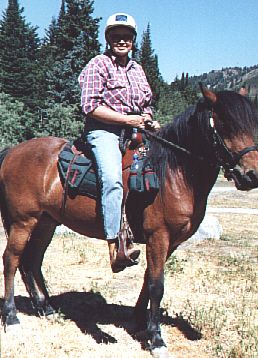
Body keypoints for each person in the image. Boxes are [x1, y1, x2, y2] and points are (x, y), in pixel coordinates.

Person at [78, 13, 160, 273]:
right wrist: (128, 120)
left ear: (133, 41)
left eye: (126, 36)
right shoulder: (98, 64)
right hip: (104, 131)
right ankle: (115, 245)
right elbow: (90, 106)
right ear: (108, 39)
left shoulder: (138, 70)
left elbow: (146, 104)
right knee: (113, 178)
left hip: (134, 131)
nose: (121, 41)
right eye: (116, 36)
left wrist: (147, 119)